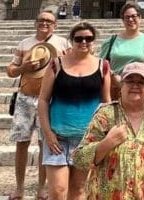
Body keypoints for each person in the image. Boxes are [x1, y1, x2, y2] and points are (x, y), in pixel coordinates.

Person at [74, 62, 144, 200]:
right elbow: (79, 159)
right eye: (130, 81)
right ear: (121, 86)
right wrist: (107, 143)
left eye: (141, 82)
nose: (135, 85)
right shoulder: (106, 114)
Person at [37, 22, 110, 200]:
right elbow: (43, 99)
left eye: (88, 38)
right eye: (79, 38)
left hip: (87, 139)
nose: (83, 42)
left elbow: (106, 102)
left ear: (94, 41)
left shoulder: (103, 66)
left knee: (78, 190)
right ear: (71, 41)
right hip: (57, 138)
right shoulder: (56, 65)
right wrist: (47, 133)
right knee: (58, 190)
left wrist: (105, 134)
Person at [6, 11, 70, 200]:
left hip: (50, 99)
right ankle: (19, 187)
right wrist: (22, 69)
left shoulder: (63, 44)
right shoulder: (24, 44)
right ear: (35, 23)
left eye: (49, 21)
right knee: (22, 143)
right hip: (25, 98)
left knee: (46, 143)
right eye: (41, 20)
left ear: (55, 25)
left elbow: (70, 65)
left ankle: (42, 188)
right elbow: (10, 70)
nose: (44, 23)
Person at [99, 3, 144, 100]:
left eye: (134, 16)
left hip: (139, 91)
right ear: (122, 20)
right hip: (115, 90)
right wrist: (114, 76)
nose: (130, 20)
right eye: (127, 17)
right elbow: (101, 65)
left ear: (140, 18)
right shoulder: (111, 41)